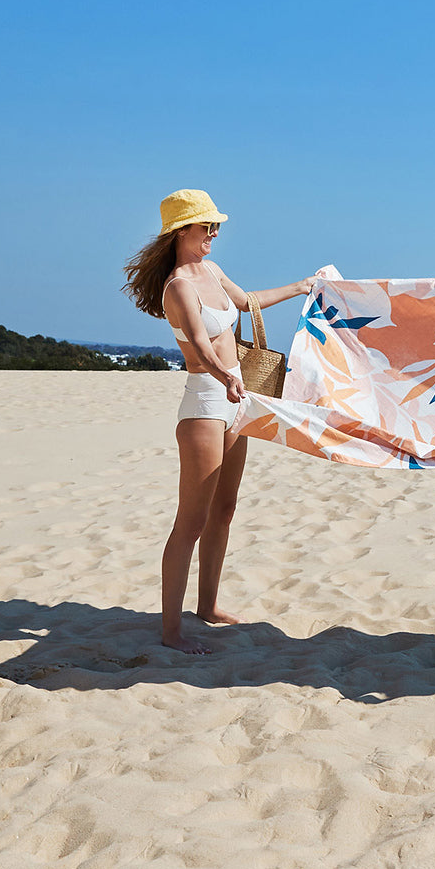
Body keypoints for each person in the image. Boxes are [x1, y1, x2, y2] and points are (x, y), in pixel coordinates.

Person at [123, 189, 316, 654]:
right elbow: (198, 343)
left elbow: (247, 302)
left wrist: (300, 286)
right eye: (205, 226)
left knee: (224, 511)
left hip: (236, 400)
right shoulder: (178, 287)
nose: (213, 233)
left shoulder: (210, 272)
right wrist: (224, 377)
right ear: (180, 231)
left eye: (216, 226)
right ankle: (171, 632)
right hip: (207, 404)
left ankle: (207, 607)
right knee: (190, 522)